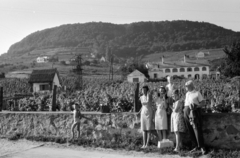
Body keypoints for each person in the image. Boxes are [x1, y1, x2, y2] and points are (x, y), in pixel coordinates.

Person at [183, 80, 207, 155]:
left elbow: (203, 103)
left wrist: (196, 107)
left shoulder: (197, 93)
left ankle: (202, 146)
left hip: (194, 112)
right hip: (186, 112)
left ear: (191, 86)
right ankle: (195, 146)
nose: (185, 87)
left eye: (187, 86)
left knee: (197, 128)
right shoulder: (187, 94)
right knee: (190, 129)